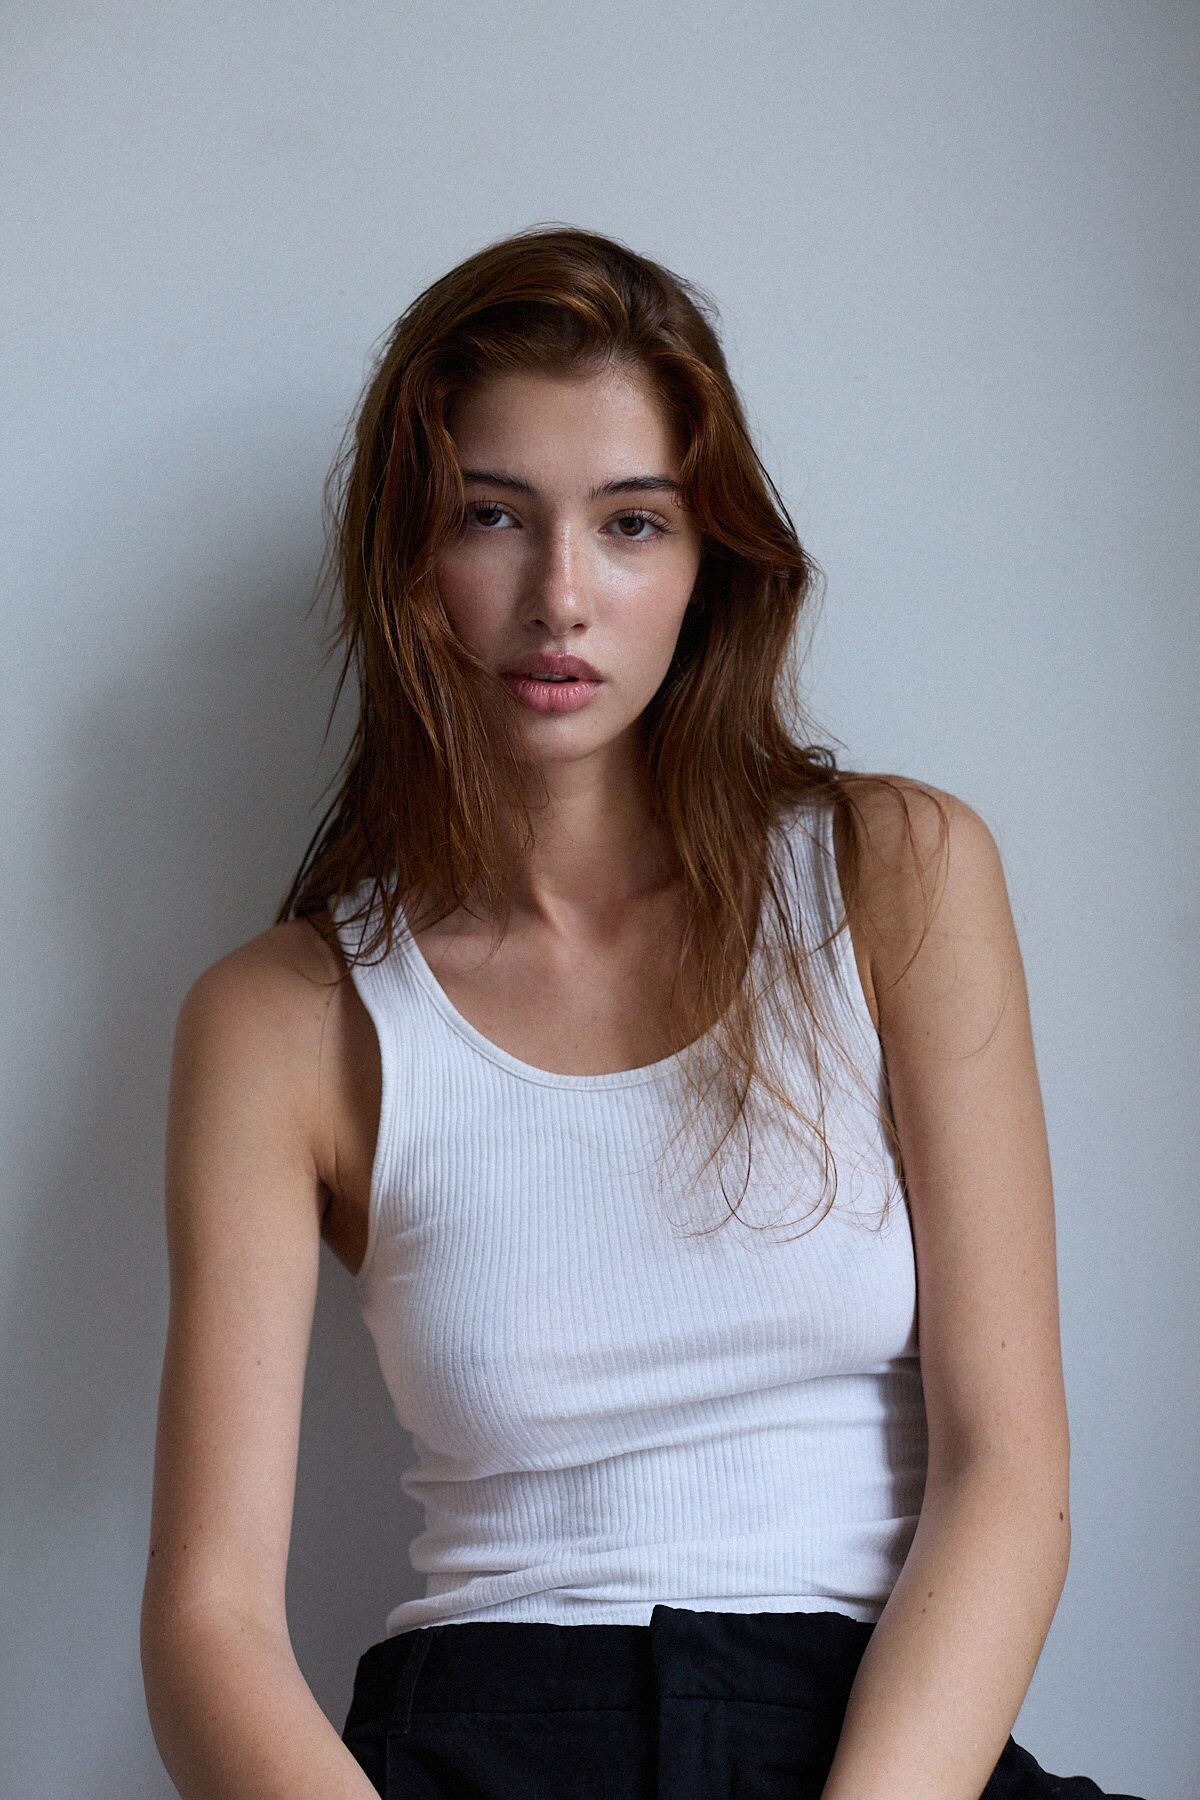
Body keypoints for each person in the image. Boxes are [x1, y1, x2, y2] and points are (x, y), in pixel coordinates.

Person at [140, 224, 1144, 1799]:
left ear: (707, 562)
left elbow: (1010, 1477)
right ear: (409, 557)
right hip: (484, 1737)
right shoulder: (285, 1021)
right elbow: (208, 1620)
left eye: (630, 523)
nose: (560, 598)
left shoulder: (899, 877)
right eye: (491, 515)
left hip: (880, 1739)